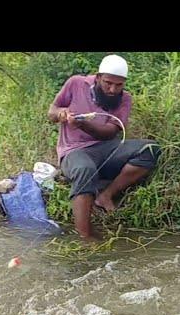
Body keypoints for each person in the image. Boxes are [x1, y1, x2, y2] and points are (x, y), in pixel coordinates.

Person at [48, 54, 161, 240]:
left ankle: (106, 195)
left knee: (150, 150)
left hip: (106, 149)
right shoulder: (76, 83)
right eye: (108, 83)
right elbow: (51, 111)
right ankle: (86, 238)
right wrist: (61, 113)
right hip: (74, 151)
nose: (112, 89)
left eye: (119, 85)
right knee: (85, 169)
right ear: (98, 77)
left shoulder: (125, 99)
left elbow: (109, 133)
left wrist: (83, 124)